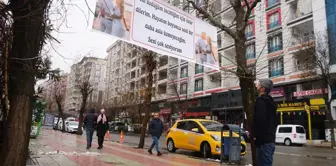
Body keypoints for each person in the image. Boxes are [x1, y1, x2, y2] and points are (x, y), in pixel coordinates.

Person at [253, 79, 277, 166]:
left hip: (263, 142)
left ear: (263, 89)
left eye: (259, 85)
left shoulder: (261, 101)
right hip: (270, 140)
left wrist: (255, 135)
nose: (256, 87)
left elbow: (260, 120)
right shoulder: (270, 102)